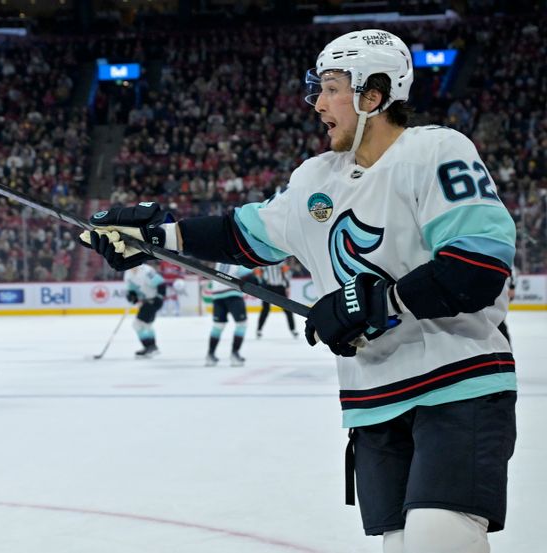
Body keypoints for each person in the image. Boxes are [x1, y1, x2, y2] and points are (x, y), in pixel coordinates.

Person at [82, 29, 516, 553]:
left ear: (372, 95)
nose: (317, 103)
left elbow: (477, 265)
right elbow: (240, 235)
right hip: (373, 401)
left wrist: (377, 304)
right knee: (402, 546)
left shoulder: (436, 150)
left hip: (458, 384)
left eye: (332, 88)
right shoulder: (316, 178)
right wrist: (156, 238)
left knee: (438, 540)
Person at [205, 263, 251, 367]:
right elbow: (247, 274)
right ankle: (235, 354)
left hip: (217, 294)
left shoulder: (218, 261)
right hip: (232, 293)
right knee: (241, 324)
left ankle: (210, 355)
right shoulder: (238, 260)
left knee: (218, 326)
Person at [124, 263, 166, 358]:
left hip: (154, 300)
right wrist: (131, 296)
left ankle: (150, 347)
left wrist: (159, 297)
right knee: (145, 325)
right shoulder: (128, 273)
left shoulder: (146, 271)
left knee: (138, 324)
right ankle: (151, 347)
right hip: (145, 302)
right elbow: (131, 289)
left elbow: (161, 283)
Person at [256, 262, 298, 339]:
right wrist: (261, 283)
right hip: (268, 287)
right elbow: (258, 272)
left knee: (287, 309)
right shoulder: (264, 261)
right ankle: (259, 330)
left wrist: (287, 285)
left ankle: (293, 329)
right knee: (265, 309)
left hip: (280, 287)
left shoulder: (281, 261)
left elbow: (286, 274)